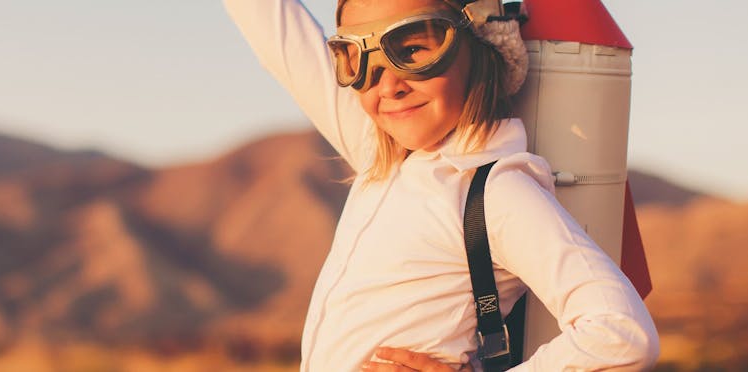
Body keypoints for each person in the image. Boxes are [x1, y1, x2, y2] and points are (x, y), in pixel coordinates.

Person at [222, 0, 660, 370]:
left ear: (479, 45)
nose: (388, 85)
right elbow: (272, 28)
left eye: (412, 48)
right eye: (358, 59)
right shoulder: (381, 153)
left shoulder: (495, 192)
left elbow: (622, 332)